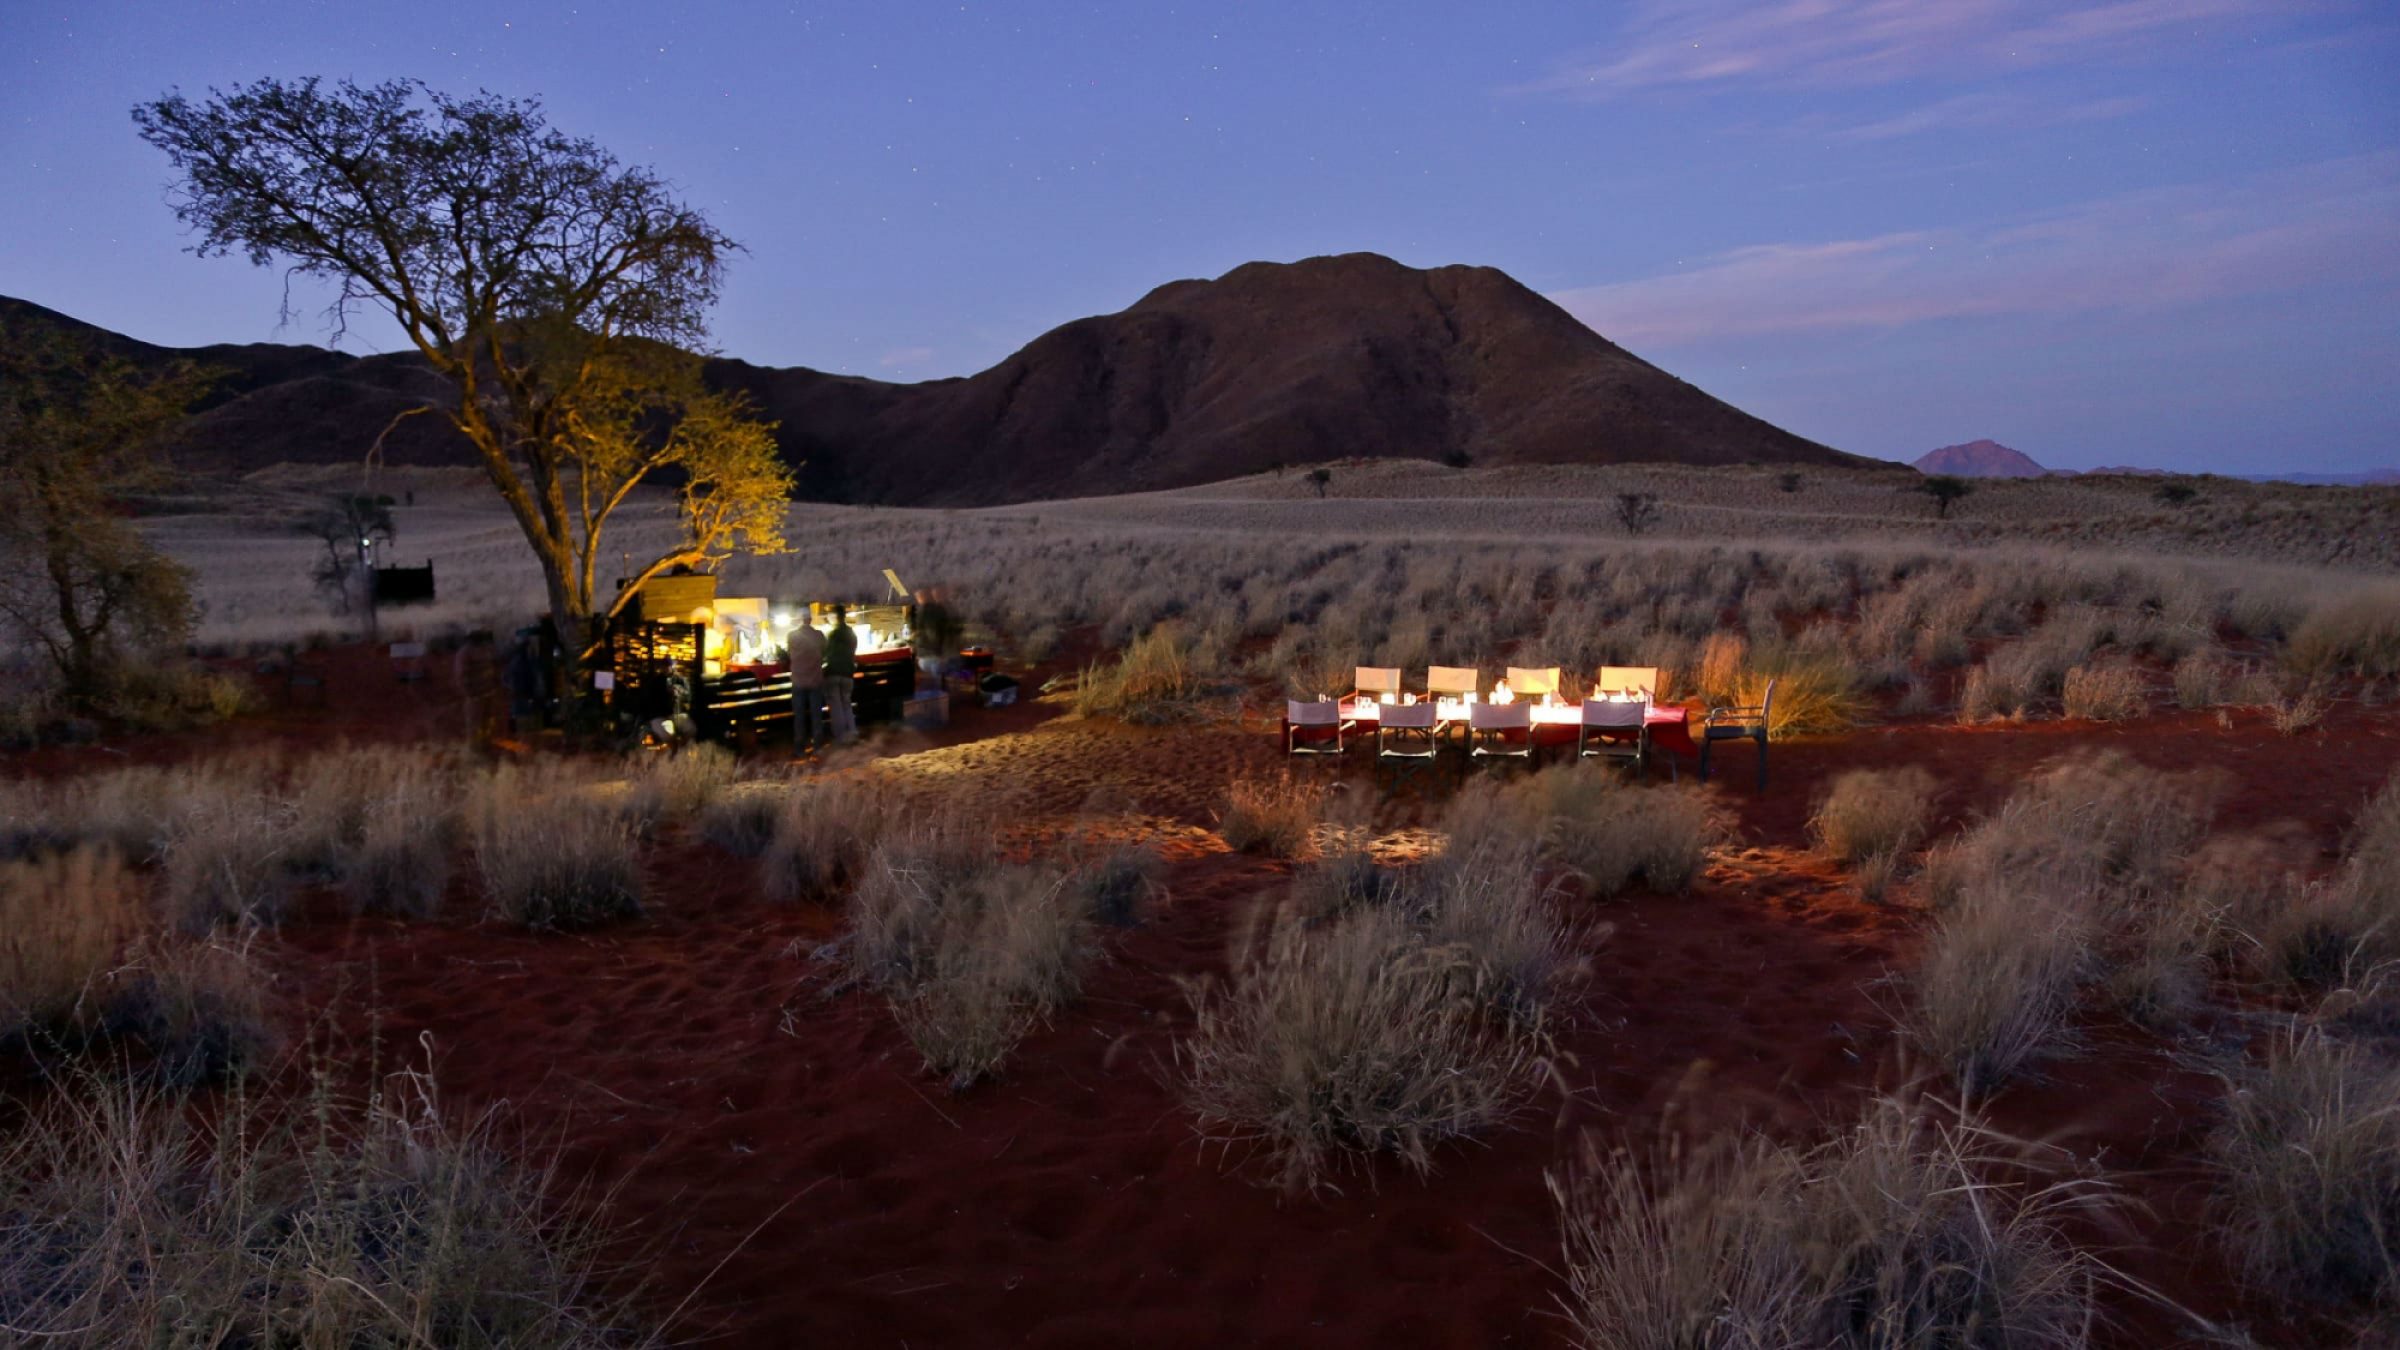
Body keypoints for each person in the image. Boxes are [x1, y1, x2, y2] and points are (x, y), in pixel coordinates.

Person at [786, 616, 827, 757]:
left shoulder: (792, 636)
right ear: (810, 619)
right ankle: (818, 747)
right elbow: (825, 652)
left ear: (800, 620)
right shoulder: (819, 635)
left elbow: (788, 654)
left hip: (798, 681)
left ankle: (799, 749)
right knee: (816, 715)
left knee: (799, 716)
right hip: (815, 680)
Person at [823, 604, 858, 744]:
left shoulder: (832, 634)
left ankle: (841, 736)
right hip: (848, 673)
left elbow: (825, 653)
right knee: (847, 703)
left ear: (834, 616)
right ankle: (853, 732)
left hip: (833, 673)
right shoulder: (851, 633)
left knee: (836, 706)